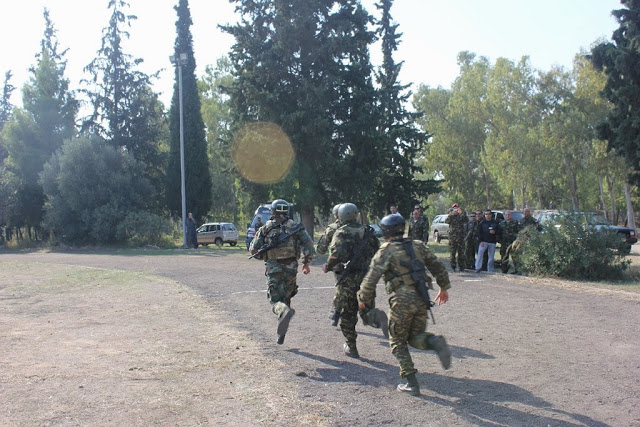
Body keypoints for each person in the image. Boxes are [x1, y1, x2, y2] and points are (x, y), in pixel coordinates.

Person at [358, 213, 451, 396]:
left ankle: (410, 381)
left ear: (386, 232)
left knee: (397, 340)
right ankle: (434, 342)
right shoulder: (417, 245)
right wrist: (444, 287)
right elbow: (437, 266)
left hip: (401, 300)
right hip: (421, 298)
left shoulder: (386, 250)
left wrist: (363, 299)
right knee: (415, 336)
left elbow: (371, 279)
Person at [249, 199, 315, 345]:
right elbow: (309, 246)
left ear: (272, 211)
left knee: (275, 300)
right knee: (286, 298)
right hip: (291, 268)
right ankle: (281, 333)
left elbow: (253, 250)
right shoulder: (296, 227)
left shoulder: (266, 228)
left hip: (273, 268)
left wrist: (263, 254)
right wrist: (306, 263)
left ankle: (282, 314)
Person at [322, 203, 383, 358]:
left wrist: (327, 266)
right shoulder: (368, 232)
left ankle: (351, 345)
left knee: (348, 313)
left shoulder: (341, 232)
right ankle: (374, 318)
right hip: (367, 278)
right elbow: (379, 252)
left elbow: (337, 254)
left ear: (341, 216)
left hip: (348, 278)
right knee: (365, 306)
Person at [316, 204, 342, 326]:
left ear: (336, 214)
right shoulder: (361, 228)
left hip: (338, 264)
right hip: (359, 265)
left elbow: (321, 249)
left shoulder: (332, 228)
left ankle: (336, 313)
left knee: (341, 288)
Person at [445, 203, 468, 272]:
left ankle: (461, 266)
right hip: (453, 237)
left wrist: (462, 213)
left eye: (457, 207)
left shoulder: (462, 214)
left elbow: (466, 220)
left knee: (461, 252)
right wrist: (452, 214)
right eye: (454, 208)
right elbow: (447, 221)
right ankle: (453, 266)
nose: (456, 209)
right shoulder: (451, 215)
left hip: (461, 236)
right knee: (452, 252)